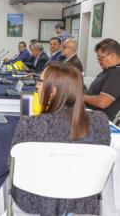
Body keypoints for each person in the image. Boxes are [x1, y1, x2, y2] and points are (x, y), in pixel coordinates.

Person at [11, 62, 110, 216]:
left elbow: (12, 167)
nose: (37, 86)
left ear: (53, 91)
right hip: (82, 205)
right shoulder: (101, 122)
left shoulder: (29, 124)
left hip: (35, 205)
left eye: (41, 81)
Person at [84, 38, 120, 121]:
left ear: (113, 55)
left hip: (98, 119)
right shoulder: (110, 70)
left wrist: (81, 97)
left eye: (100, 58)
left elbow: (102, 102)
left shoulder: (117, 73)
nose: (99, 61)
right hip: (89, 113)